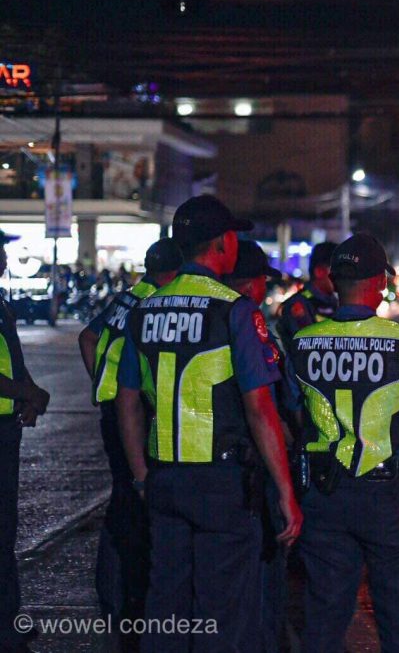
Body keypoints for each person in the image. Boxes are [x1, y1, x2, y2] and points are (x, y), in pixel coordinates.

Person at [116, 195, 302, 653]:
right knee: (224, 615)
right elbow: (260, 408)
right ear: (222, 243)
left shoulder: (146, 309)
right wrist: (284, 490)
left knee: (166, 606)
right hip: (221, 484)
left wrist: (142, 474)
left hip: (164, 479)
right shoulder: (234, 310)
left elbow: (127, 402)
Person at [290, 233, 399, 653]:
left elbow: (292, 416)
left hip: (324, 493)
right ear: (379, 282)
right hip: (386, 493)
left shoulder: (303, 342)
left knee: (324, 613)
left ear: (335, 281)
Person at [77, 238, 181, 644]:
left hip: (111, 413)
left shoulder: (126, 298)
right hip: (135, 416)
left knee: (120, 501)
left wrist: (102, 390)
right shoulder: (155, 305)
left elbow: (87, 339)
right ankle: (131, 601)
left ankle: (112, 596)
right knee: (135, 507)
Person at [224, 240, 303, 653]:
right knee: (265, 575)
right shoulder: (250, 325)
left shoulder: (206, 317)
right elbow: (274, 407)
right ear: (252, 284)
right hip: (255, 471)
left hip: (202, 467)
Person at [0, 229, 50, 653]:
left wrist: (29, 393)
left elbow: (13, 360)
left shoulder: (1, 303)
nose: (2, 256)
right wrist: (27, 394)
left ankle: (8, 619)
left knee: (5, 532)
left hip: (5, 431)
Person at [276, 241, 338, 348]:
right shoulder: (298, 305)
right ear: (319, 272)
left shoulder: (336, 302)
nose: (340, 276)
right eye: (336, 270)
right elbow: (307, 347)